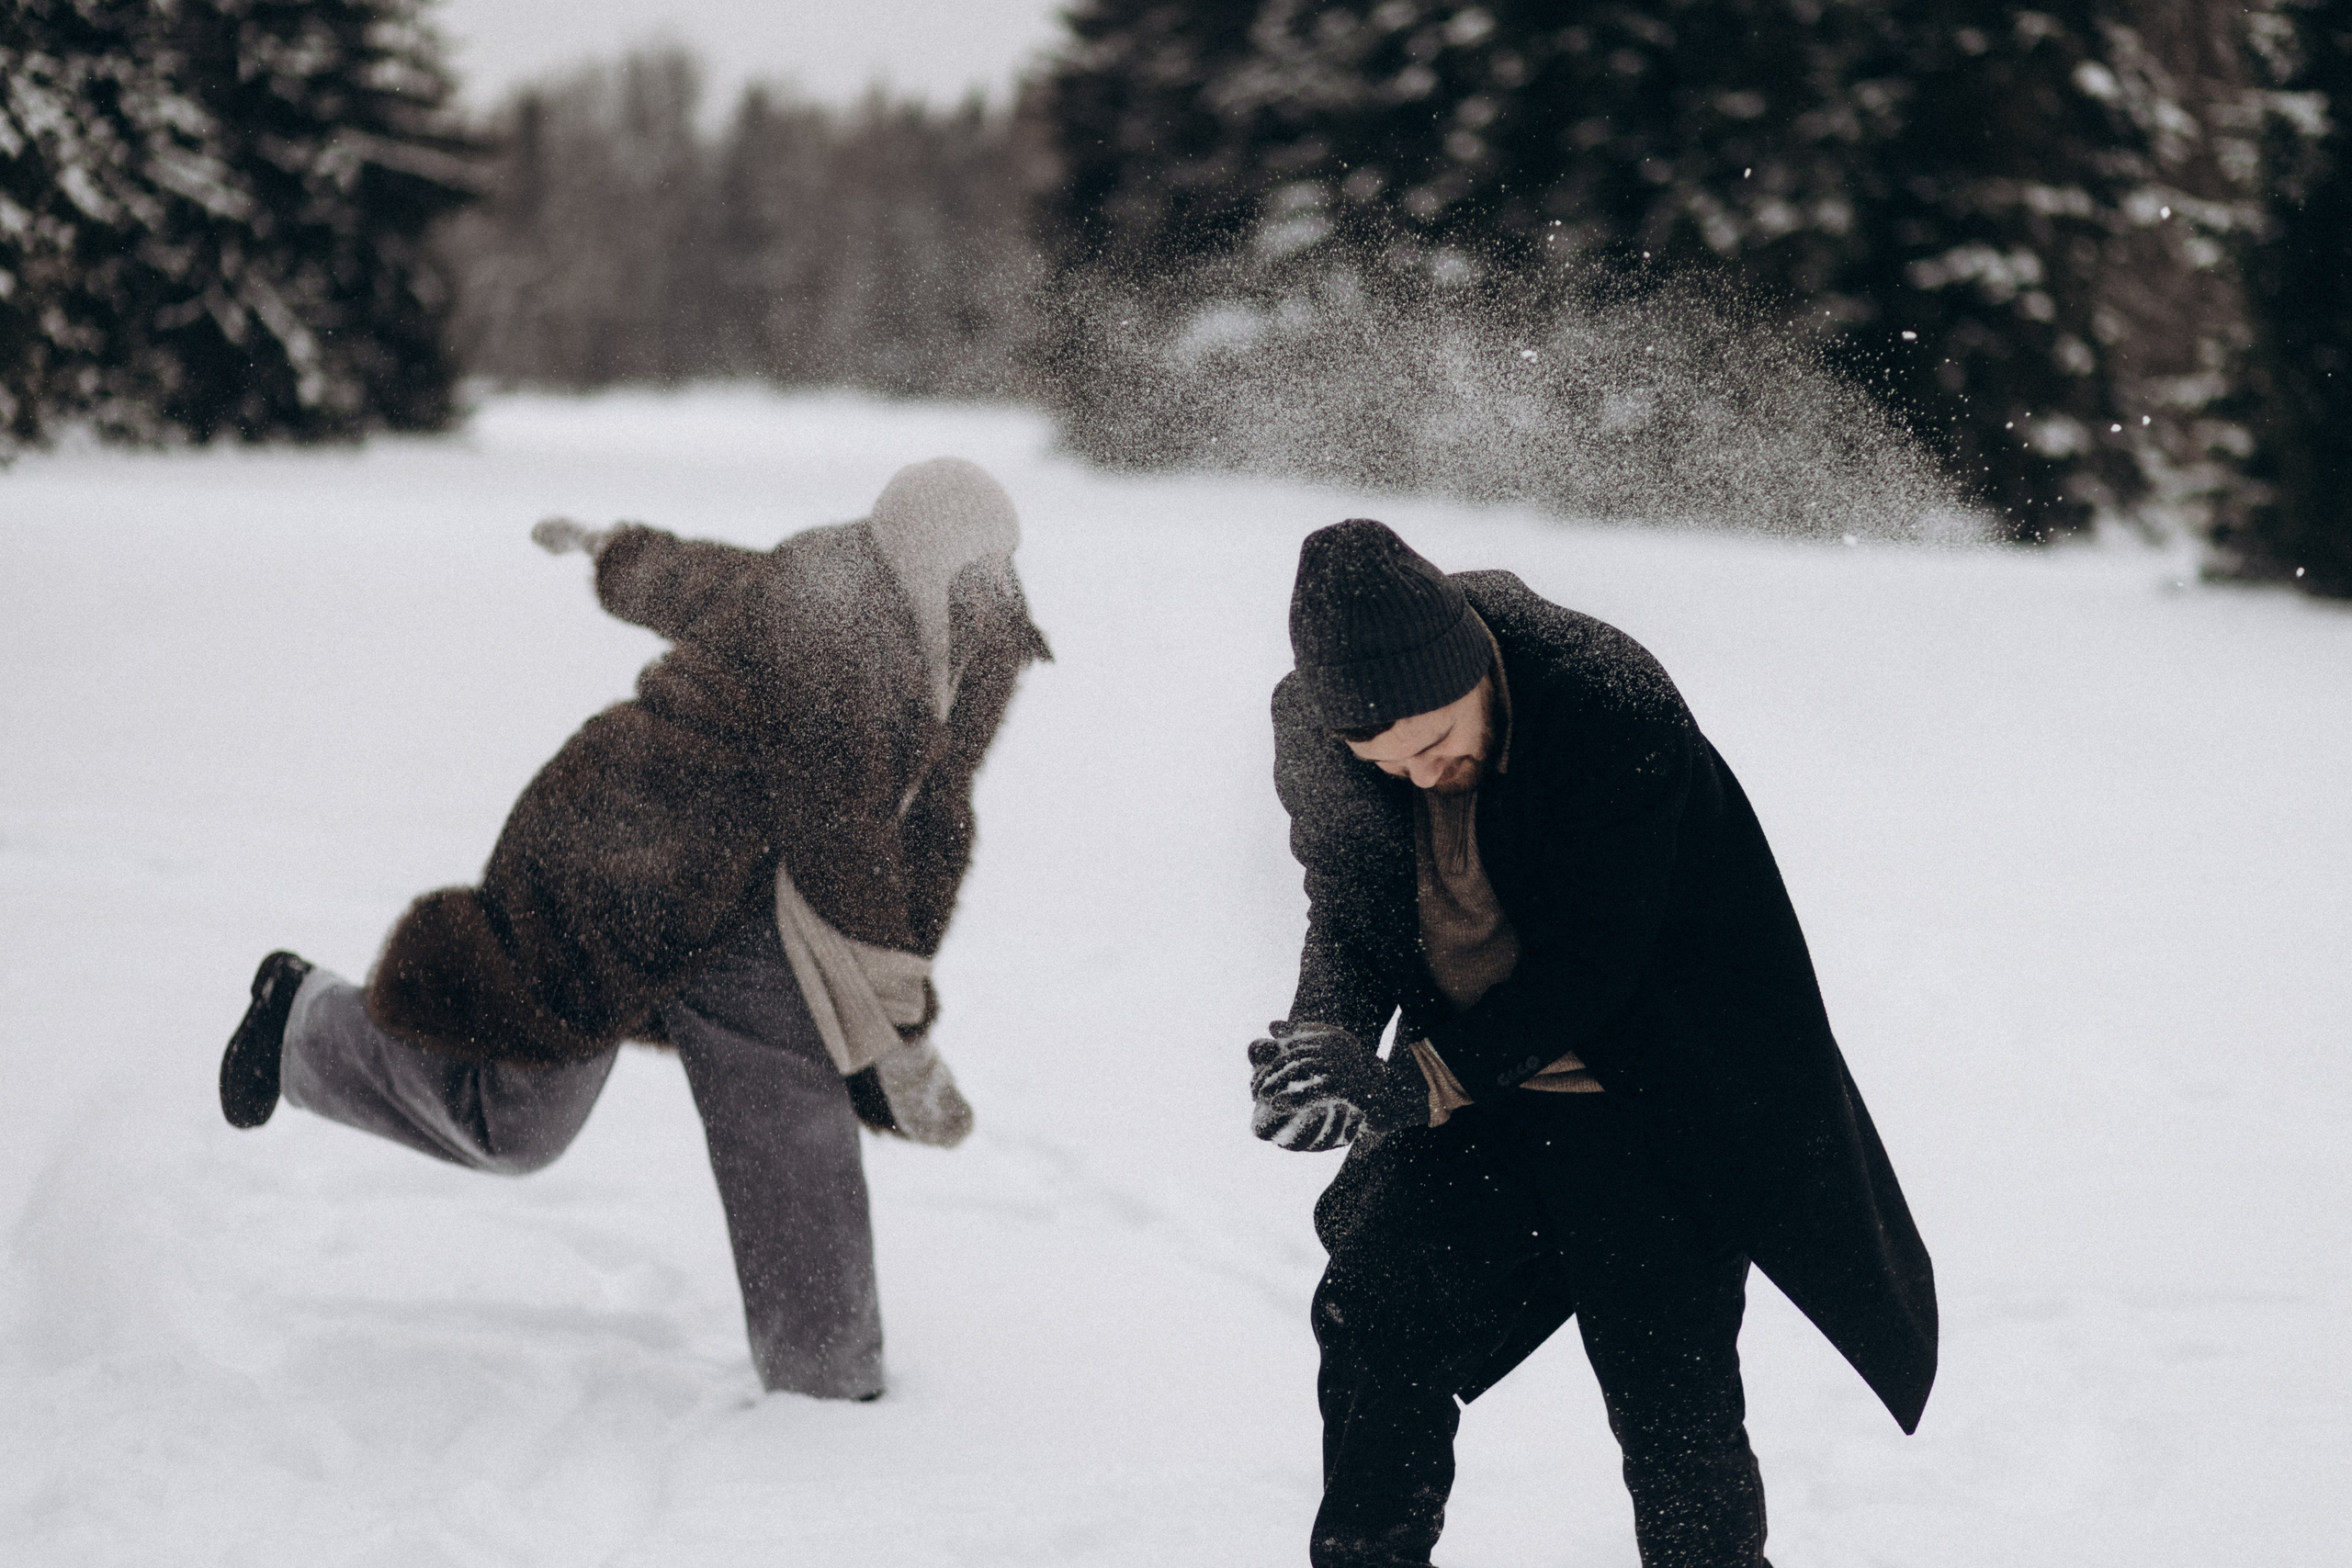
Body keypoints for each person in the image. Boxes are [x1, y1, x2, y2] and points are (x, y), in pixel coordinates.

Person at [216, 457, 1051, 1400]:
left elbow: (708, 588)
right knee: (517, 1124)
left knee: (790, 1113)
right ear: (913, 555)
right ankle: (304, 1022)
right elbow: (845, 843)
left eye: (1002, 565)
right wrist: (899, 1036)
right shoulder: (839, 631)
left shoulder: (959, 639)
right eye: (969, 567)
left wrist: (614, 550)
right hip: (620, 859)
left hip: (749, 901)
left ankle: (827, 1383)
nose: (993, 589)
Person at [1248, 519, 1935, 1568]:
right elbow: (1349, 902)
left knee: (1669, 1396)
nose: (1422, 775)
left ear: (1474, 663)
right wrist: (1326, 1041)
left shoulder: (1603, 696)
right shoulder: (1318, 726)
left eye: (1436, 743)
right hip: (1477, 1100)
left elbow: (1598, 964)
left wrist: (1412, 1083)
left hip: (1654, 1092)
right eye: (1383, 762)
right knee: (1374, 1312)